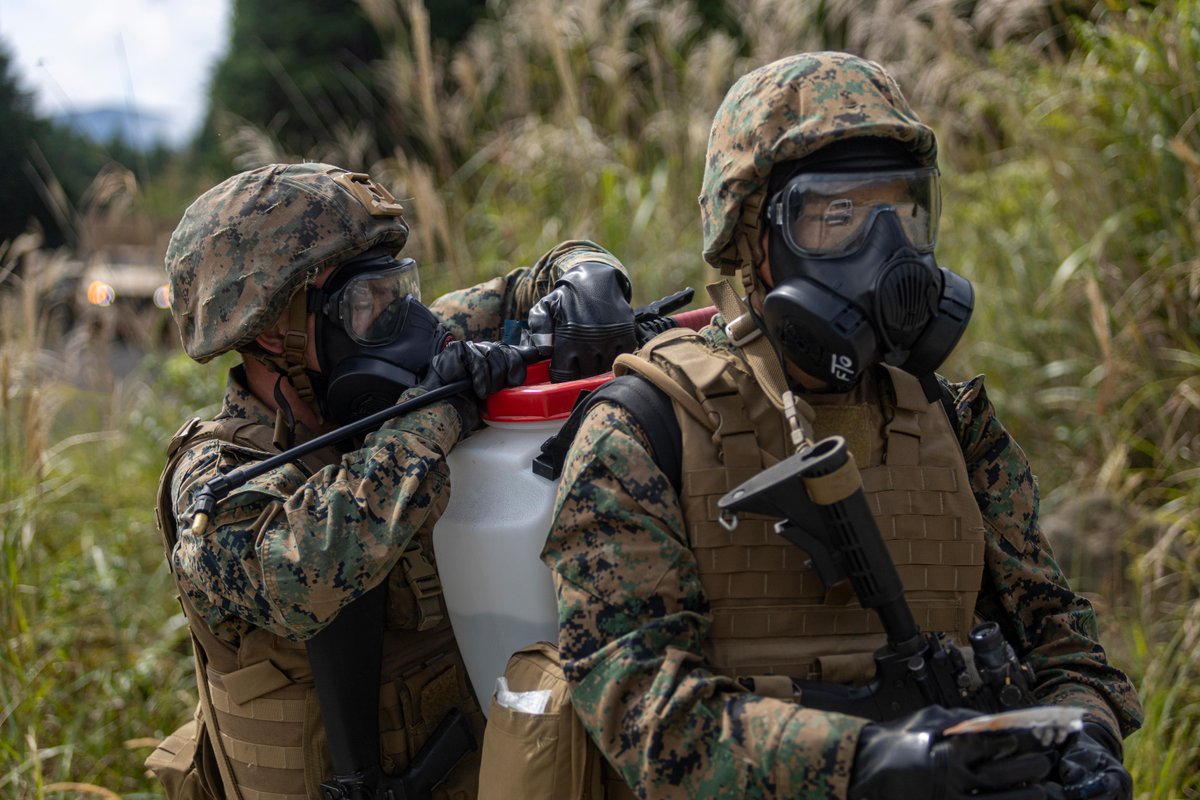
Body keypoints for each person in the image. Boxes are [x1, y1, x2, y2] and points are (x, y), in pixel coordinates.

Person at [539, 52, 1143, 799]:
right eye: (838, 216)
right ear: (753, 237)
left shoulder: (954, 427)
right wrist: (868, 764)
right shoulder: (644, 432)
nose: (886, 255)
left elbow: (1065, 645)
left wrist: (1084, 734)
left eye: (904, 211)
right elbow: (644, 716)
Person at [145, 162, 640, 800]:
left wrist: (588, 278)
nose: (399, 320)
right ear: (274, 330)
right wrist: (438, 414)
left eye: (395, 288)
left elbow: (533, 284)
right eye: (365, 299)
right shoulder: (215, 478)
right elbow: (298, 568)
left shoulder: (378, 347)